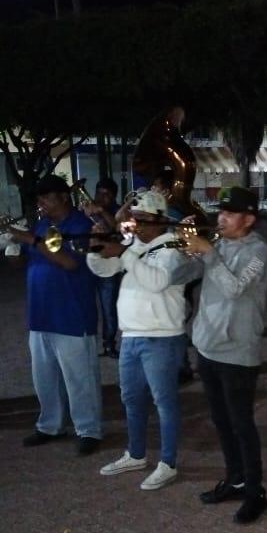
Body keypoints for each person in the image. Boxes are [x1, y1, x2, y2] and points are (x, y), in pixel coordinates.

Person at [86, 190, 200, 489]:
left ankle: (168, 462)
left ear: (160, 222)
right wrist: (95, 248)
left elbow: (157, 281)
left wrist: (124, 253)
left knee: (165, 403)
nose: (136, 225)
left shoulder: (174, 248)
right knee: (131, 400)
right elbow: (103, 268)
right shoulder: (133, 245)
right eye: (135, 219)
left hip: (162, 339)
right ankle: (135, 454)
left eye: (143, 220)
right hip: (132, 337)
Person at [182, 186, 267, 525]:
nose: (220, 218)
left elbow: (236, 289)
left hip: (237, 352)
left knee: (241, 424)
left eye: (229, 213)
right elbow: (183, 277)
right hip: (207, 347)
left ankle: (255, 491)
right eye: (219, 212)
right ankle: (235, 479)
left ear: (248, 219)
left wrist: (207, 253)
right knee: (221, 421)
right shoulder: (217, 244)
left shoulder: (259, 251)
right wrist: (184, 247)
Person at [5, 177, 104, 456]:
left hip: (72, 314)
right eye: (39, 200)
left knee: (79, 378)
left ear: (63, 197)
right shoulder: (41, 226)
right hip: (40, 314)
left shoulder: (81, 225)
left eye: (46, 198)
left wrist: (30, 239)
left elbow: (69, 262)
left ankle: (89, 429)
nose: (41, 204)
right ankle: (49, 425)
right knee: (44, 376)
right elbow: (19, 261)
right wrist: (12, 244)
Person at [92, 178, 122, 358]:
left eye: (107, 195)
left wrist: (102, 211)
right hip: (90, 263)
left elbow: (116, 227)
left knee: (108, 308)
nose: (102, 198)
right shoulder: (88, 208)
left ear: (114, 196)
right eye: (99, 193)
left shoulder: (118, 211)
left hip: (109, 267)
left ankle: (109, 345)